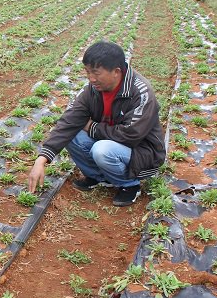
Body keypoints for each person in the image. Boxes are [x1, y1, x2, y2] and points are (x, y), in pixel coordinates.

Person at [28, 41, 165, 207]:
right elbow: (69, 121)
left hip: (142, 153)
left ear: (116, 72)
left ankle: (129, 185)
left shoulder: (141, 93)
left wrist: (92, 127)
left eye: (96, 73)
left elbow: (130, 135)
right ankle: (100, 178)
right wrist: (42, 159)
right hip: (112, 143)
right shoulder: (92, 90)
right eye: (87, 72)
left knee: (102, 150)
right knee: (72, 134)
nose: (91, 79)